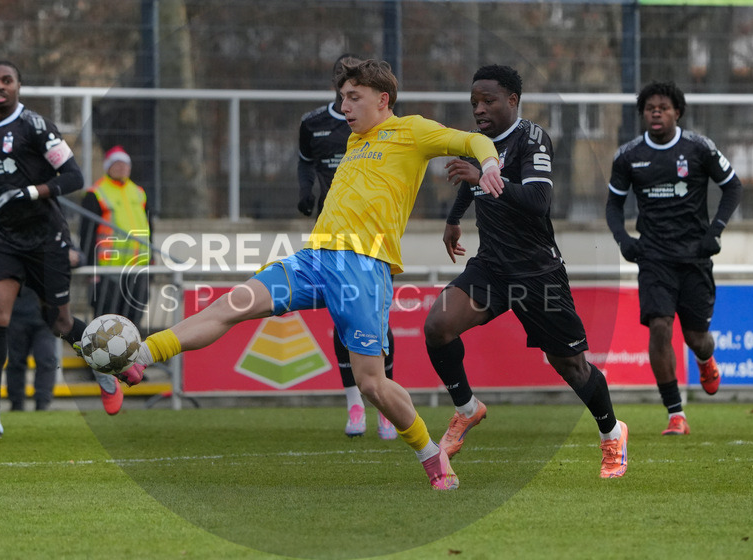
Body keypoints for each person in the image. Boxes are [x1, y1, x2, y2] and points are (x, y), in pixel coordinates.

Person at [122, 59, 501, 490]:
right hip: (314, 259)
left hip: (363, 265)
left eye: (353, 98)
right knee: (232, 304)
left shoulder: (412, 131)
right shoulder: (355, 142)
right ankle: (144, 354)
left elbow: (471, 140)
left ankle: (433, 458)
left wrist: (488, 166)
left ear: (383, 100)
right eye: (342, 98)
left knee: (372, 384)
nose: (344, 107)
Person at [424, 65, 628, 479]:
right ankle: (467, 408)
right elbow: (470, 181)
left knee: (571, 366)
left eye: (488, 101)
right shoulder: (477, 143)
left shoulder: (532, 139)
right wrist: (453, 219)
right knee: (437, 325)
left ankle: (612, 433)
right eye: (474, 102)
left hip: (538, 273)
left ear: (512, 100)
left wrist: (482, 175)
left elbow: (537, 200)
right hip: (492, 267)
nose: (479, 109)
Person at [0, 60, 143, 438]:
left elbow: (73, 176)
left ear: (19, 86)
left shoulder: (36, 126)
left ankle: (107, 366)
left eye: (6, 80)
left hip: (45, 239)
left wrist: (33, 191)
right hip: (4, 240)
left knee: (59, 322)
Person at [606, 80, 742, 436]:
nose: (656, 112)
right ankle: (675, 414)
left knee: (698, 338)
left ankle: (704, 358)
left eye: (663, 107)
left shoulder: (698, 148)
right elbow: (613, 205)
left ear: (676, 112)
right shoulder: (629, 155)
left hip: (695, 255)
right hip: (654, 258)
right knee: (660, 328)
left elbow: (733, 186)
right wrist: (623, 240)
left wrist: (715, 231)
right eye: (650, 107)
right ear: (643, 114)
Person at [297, 53, 397, 440]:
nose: (348, 95)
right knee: (343, 321)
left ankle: (385, 405)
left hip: (373, 238)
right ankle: (355, 403)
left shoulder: (382, 127)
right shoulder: (314, 124)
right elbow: (305, 163)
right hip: (333, 236)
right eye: (342, 84)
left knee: (378, 324)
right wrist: (305, 193)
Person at [79, 145, 153, 413]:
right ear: (108, 167)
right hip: (108, 268)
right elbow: (86, 231)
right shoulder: (96, 192)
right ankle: (98, 366)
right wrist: (90, 269)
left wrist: (151, 258)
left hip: (137, 267)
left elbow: (149, 226)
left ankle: (129, 365)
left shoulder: (139, 192)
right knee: (105, 321)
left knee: (133, 320)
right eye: (117, 164)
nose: (122, 168)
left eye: (126, 164)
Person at [5, 286, 58, 411]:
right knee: (16, 361)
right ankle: (16, 403)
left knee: (46, 359)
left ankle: (42, 403)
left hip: (44, 316)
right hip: (16, 315)